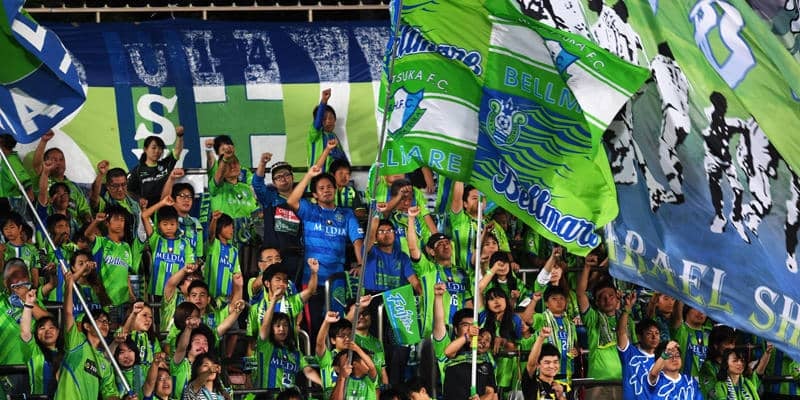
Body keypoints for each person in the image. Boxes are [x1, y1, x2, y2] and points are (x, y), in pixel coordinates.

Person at [286, 159, 364, 339]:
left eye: (329, 186)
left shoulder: (346, 214)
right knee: (314, 326)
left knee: (337, 325)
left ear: (335, 189)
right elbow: (291, 200)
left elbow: (357, 241)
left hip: (336, 280)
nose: (326, 190)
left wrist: (361, 264)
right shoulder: (309, 210)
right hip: (311, 280)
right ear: (314, 194)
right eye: (321, 188)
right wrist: (308, 175)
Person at [54, 265, 120, 399]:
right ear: (87, 326)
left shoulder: (104, 361)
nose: (105, 324)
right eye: (100, 320)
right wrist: (69, 286)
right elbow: (68, 313)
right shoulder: (77, 342)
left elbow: (110, 394)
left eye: (107, 321)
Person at [408, 206, 472, 337]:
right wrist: (411, 218)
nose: (445, 245)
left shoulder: (461, 273)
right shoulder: (427, 269)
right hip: (433, 333)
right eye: (440, 244)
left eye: (447, 242)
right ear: (432, 252)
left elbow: (468, 303)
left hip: (459, 334)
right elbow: (413, 248)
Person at [256, 283, 322, 389]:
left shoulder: (295, 352)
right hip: (268, 396)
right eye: (278, 326)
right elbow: (265, 324)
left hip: (290, 396)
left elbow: (308, 371)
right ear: (271, 328)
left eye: (285, 325)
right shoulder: (265, 345)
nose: (282, 329)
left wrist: (324, 385)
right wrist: (274, 300)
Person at [576, 255, 623, 400]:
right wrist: (587, 268)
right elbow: (580, 294)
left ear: (617, 298)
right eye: (602, 297)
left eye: (611, 296)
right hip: (597, 383)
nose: (607, 299)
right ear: (596, 302)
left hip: (624, 382)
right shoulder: (593, 318)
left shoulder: (627, 321)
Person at [252, 157, 304, 283]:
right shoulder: (269, 198)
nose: (283, 178)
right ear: (274, 182)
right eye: (278, 177)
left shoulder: (303, 203)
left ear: (292, 177)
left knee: (293, 290)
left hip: (295, 258)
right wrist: (262, 163)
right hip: (273, 258)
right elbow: (257, 184)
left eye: (286, 175)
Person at [85, 206, 137, 322]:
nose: (120, 223)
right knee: (108, 328)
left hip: (124, 300)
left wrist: (131, 294)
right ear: (107, 223)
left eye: (122, 220)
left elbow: (126, 274)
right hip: (105, 299)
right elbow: (87, 234)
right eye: (116, 219)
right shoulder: (101, 242)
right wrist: (96, 221)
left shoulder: (126, 247)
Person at [33, 130, 93, 224]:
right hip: (52, 226)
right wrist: (44, 141)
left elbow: (84, 209)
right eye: (54, 160)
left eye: (61, 159)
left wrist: (87, 217)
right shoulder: (43, 179)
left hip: (75, 228)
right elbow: (37, 165)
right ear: (46, 163)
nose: (58, 163)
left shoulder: (74, 186)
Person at [141, 197, 196, 300]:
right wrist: (162, 203)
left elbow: (190, 265)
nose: (169, 227)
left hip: (177, 293)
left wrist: (192, 266)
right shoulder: (156, 240)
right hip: (156, 291)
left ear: (177, 224)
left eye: (172, 224)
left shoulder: (185, 243)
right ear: (159, 225)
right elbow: (144, 215)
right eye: (165, 224)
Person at [20, 289, 63, 398]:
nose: (47, 331)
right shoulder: (34, 350)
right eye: (42, 328)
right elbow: (25, 332)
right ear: (37, 334)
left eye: (51, 327)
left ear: (58, 332)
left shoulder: (67, 352)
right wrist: (28, 304)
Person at [127, 127, 185, 208]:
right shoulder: (137, 171)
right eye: (153, 148)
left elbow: (177, 151)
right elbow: (128, 191)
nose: (157, 151)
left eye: (160, 148)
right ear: (145, 149)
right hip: (147, 210)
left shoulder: (166, 164)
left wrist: (180, 136)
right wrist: (139, 199)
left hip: (166, 207)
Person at [617, 292, 660, 400]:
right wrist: (627, 309)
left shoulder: (662, 358)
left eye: (657, 333)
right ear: (639, 337)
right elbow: (621, 333)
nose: (654, 337)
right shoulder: (630, 353)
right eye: (649, 333)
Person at [161, 170, 204, 261]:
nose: (186, 200)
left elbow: (198, 255)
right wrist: (171, 179)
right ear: (172, 199)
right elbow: (163, 201)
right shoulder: (166, 218)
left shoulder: (196, 223)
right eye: (182, 196)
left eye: (189, 197)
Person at [522, 327, 573, 400]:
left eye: (555, 362)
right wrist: (541, 338)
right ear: (538, 364)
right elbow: (531, 364)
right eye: (547, 362)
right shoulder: (532, 384)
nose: (552, 366)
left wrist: (561, 397)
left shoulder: (565, 387)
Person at [308, 88, 349, 172]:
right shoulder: (315, 134)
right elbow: (318, 123)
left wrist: (347, 169)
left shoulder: (334, 136)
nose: (328, 121)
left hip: (331, 178)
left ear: (335, 120)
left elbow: (342, 156)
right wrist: (324, 101)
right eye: (324, 119)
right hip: (317, 176)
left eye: (331, 118)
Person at [205, 211, 242, 302]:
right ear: (219, 227)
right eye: (228, 226)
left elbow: (236, 277)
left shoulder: (234, 251)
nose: (231, 230)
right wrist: (214, 220)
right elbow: (211, 234)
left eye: (232, 227)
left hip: (226, 300)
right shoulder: (213, 244)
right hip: (209, 298)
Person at [0, 212, 40, 286]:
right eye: (5, 229)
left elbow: (34, 271)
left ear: (20, 228)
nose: (9, 231)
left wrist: (35, 288)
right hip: (6, 291)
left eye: (12, 227)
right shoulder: (2, 248)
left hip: (26, 290)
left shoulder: (32, 249)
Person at [698, 325, 738, 397]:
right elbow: (713, 394)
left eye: (733, 343)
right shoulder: (708, 367)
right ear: (716, 345)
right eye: (727, 343)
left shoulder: (736, 365)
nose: (732, 347)